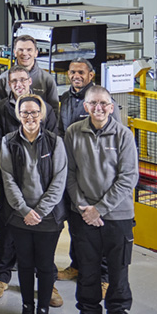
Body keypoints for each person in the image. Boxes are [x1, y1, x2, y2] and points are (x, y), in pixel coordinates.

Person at [63, 85, 138, 314]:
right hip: (83, 215)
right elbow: (69, 174)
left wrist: (100, 209)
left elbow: (129, 177)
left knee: (118, 271)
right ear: (85, 107)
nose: (99, 108)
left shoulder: (124, 135)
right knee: (88, 269)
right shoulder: (73, 133)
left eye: (104, 104)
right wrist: (84, 207)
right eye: (93, 103)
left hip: (117, 216)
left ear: (112, 107)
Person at [0, 65, 63, 309]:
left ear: (30, 82)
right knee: (6, 232)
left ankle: (47, 283)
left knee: (44, 245)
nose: (18, 84)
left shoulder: (48, 110)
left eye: (23, 80)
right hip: (10, 182)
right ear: (8, 84)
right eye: (14, 81)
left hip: (42, 186)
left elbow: (51, 145)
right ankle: (1, 276)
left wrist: (40, 208)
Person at [0, 95, 67, 314]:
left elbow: (59, 180)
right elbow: (7, 179)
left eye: (34, 113)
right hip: (20, 217)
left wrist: (40, 211)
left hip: (48, 218)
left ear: (42, 115)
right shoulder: (8, 142)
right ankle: (27, 311)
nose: (30, 117)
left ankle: (43, 312)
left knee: (46, 266)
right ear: (18, 115)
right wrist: (25, 211)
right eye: (25, 113)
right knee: (25, 265)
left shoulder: (55, 142)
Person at [57, 57, 121, 282]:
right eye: (72, 72)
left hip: (98, 175)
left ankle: (103, 277)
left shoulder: (101, 100)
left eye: (81, 72)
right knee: (76, 224)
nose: (76, 76)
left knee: (99, 228)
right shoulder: (65, 98)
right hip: (72, 171)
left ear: (91, 75)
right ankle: (77, 265)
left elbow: (115, 135)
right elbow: (60, 132)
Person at [0, 35, 59, 110]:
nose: (25, 53)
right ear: (15, 53)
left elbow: (54, 110)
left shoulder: (47, 79)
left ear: (36, 53)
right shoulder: (4, 79)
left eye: (29, 50)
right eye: (20, 50)